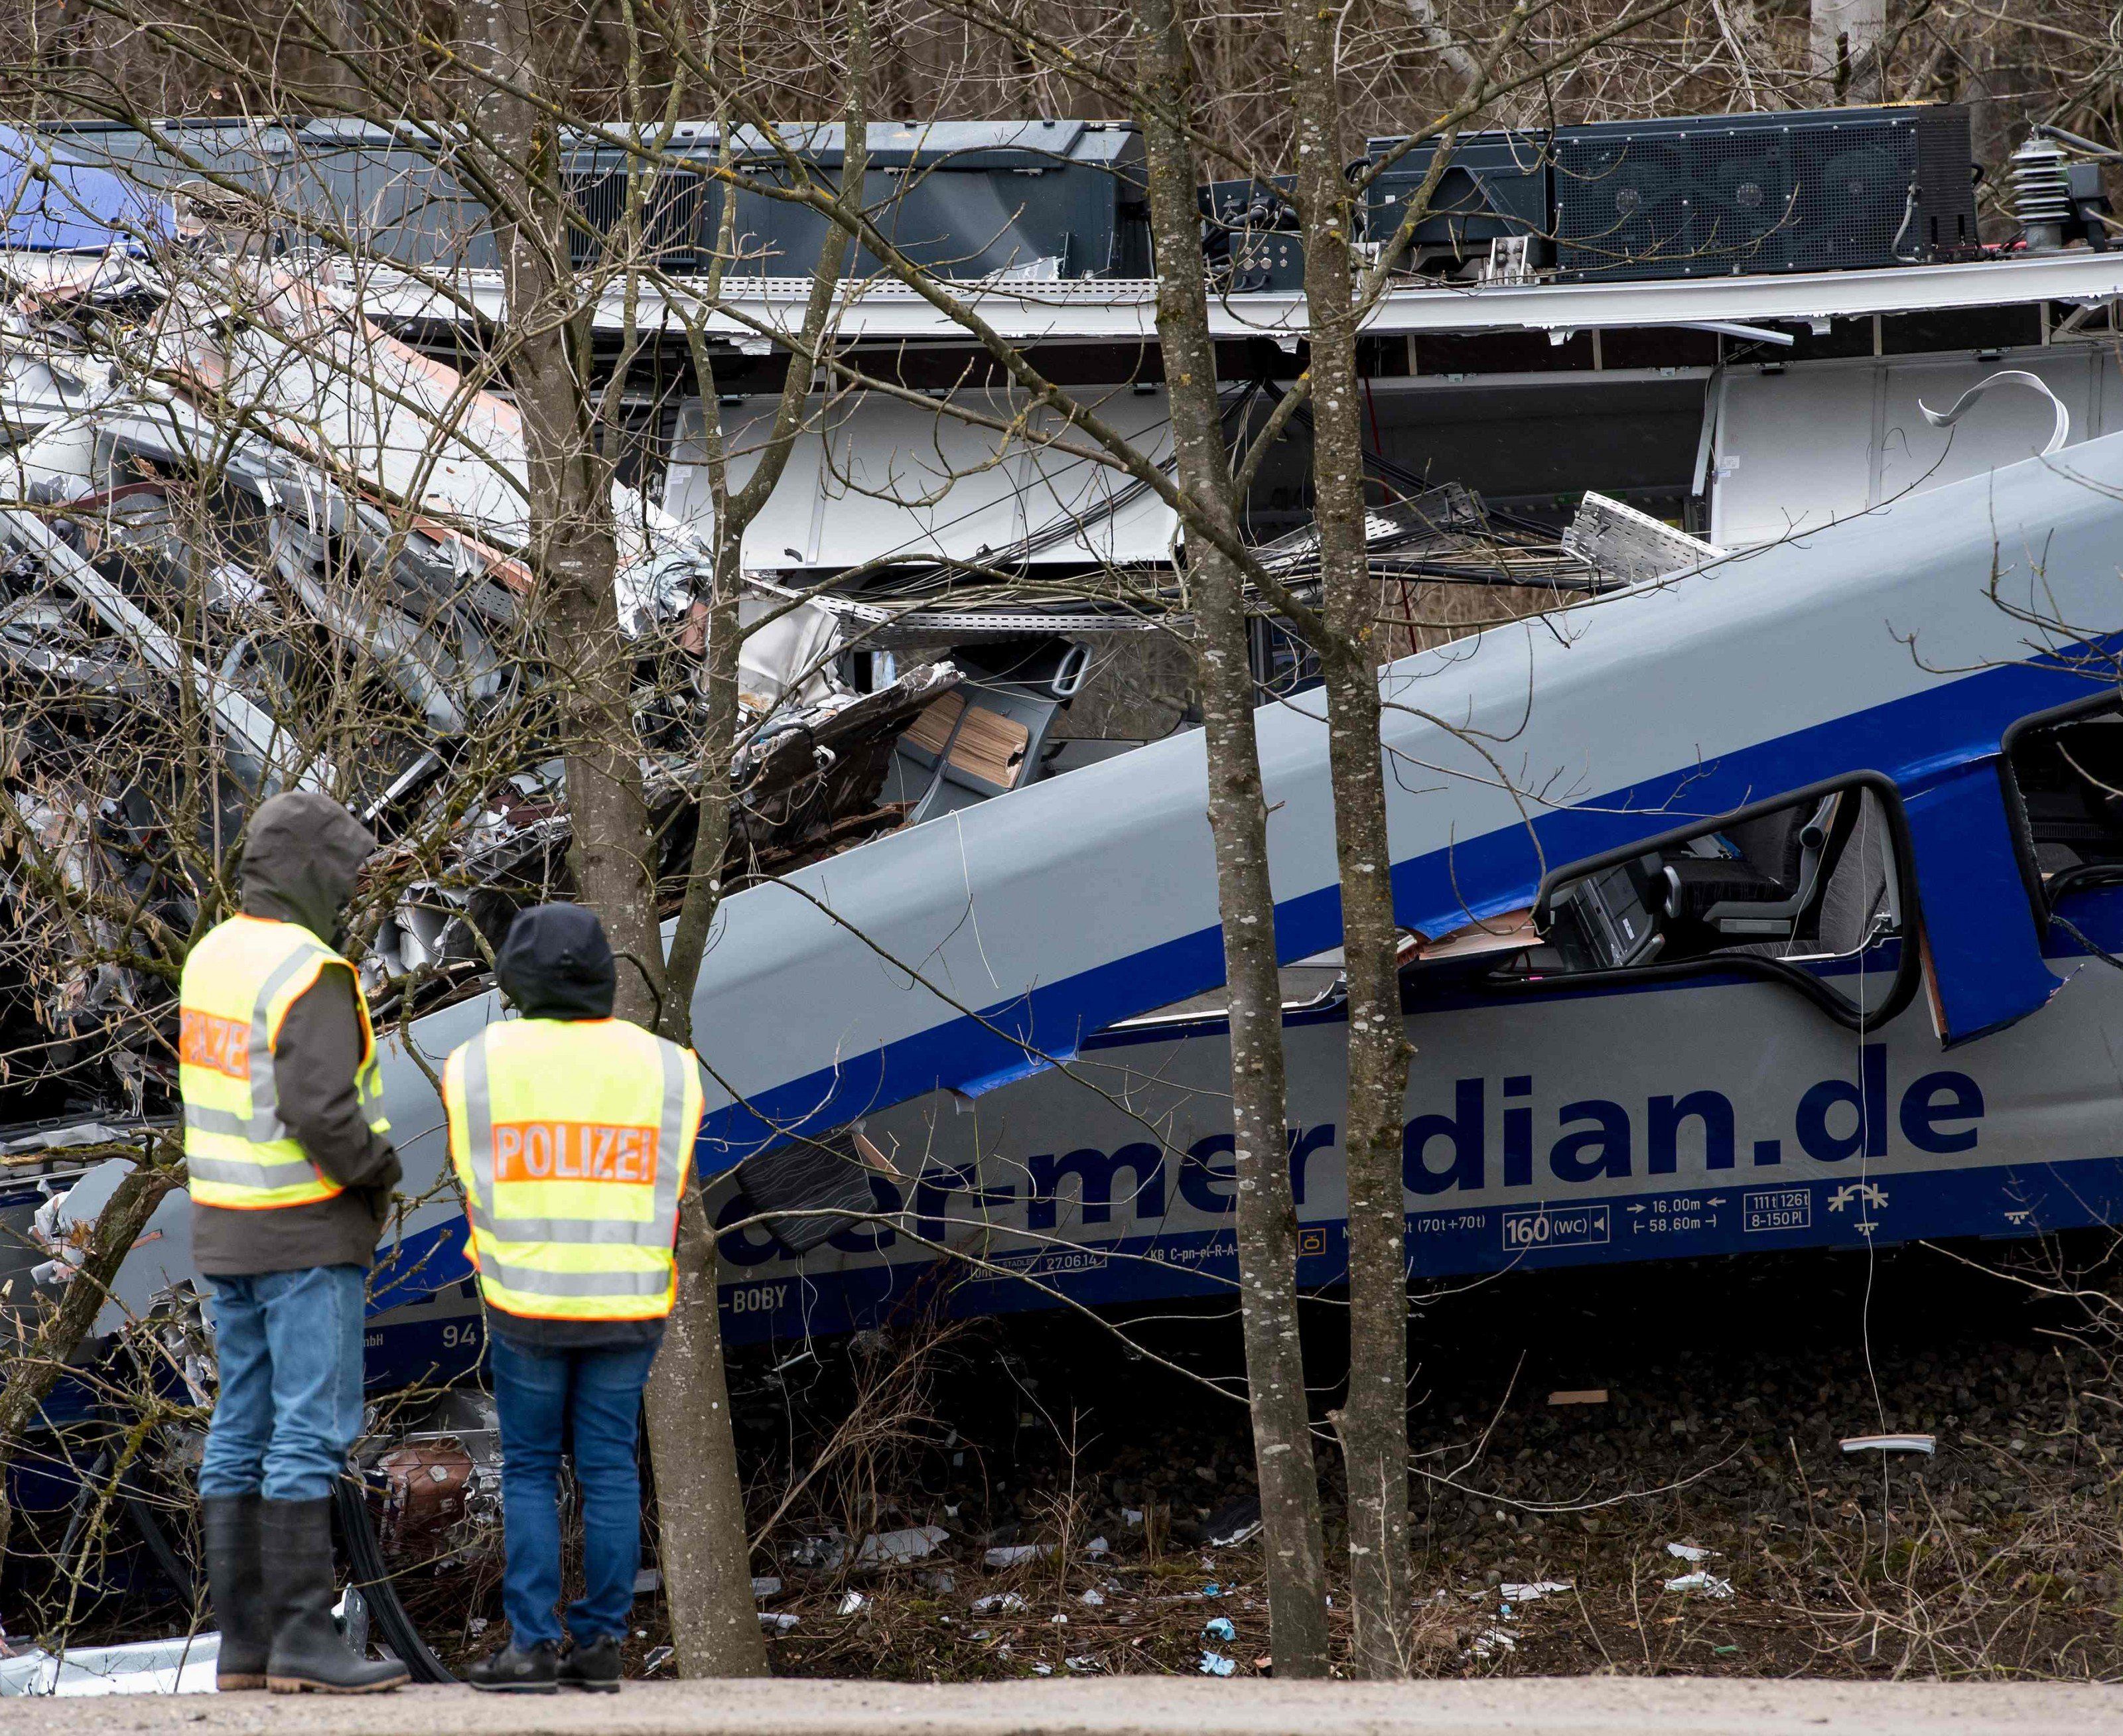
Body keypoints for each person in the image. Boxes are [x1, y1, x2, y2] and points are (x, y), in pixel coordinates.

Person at [444, 903, 702, 1694]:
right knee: (610, 1468)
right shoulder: (669, 1067)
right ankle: (598, 1648)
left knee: (527, 1468)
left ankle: (530, 1646)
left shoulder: (475, 1063)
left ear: (515, 980)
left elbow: (468, 1174)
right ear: (603, 976)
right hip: (629, 1300)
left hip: (525, 1300)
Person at [183, 792, 408, 1695]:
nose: (353, 890)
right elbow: (323, 1110)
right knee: (311, 1431)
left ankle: (245, 1648)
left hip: (225, 1229)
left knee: (238, 1429)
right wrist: (378, 1169)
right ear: (312, 872)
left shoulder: (211, 957)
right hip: (306, 1228)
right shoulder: (308, 970)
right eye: (347, 872)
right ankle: (307, 1644)